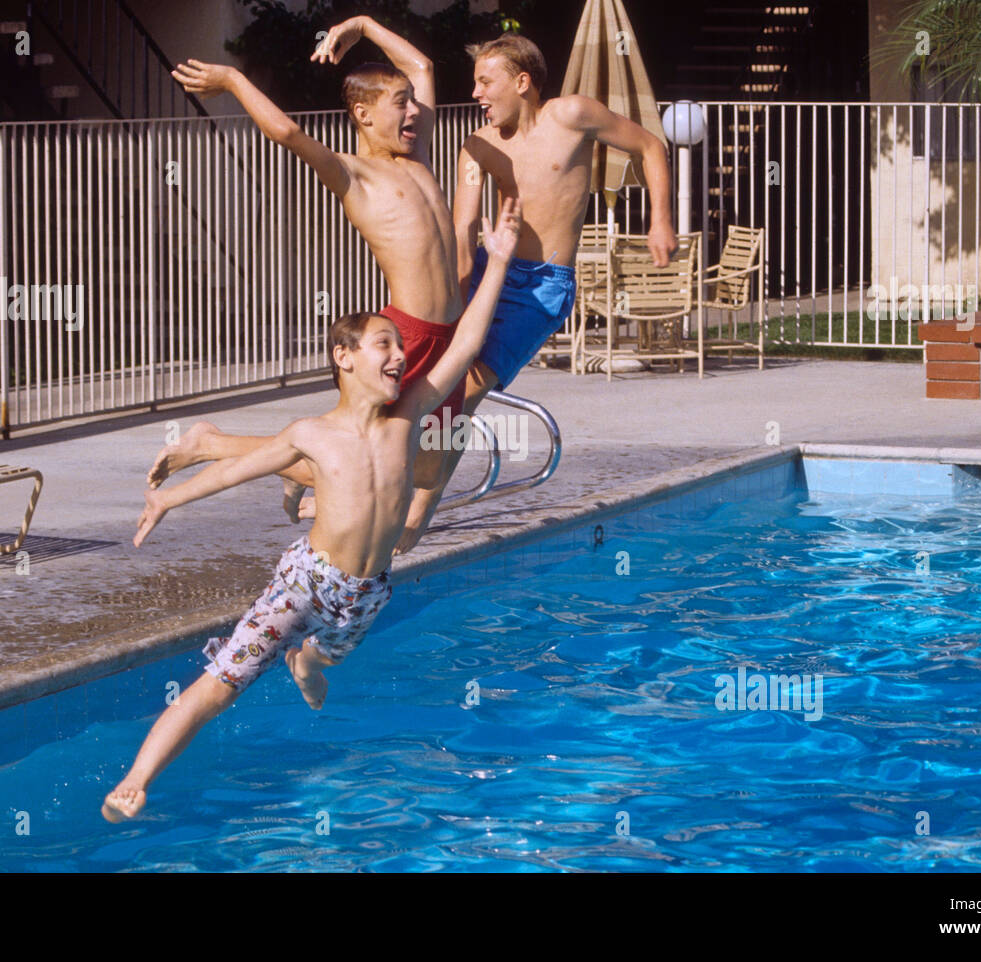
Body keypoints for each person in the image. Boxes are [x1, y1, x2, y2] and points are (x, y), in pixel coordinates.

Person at [100, 199, 522, 824]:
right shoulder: (311, 434)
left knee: (323, 658)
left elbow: (466, 341)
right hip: (306, 584)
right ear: (344, 357)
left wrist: (501, 264)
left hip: (369, 591)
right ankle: (137, 779)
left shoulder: (407, 418)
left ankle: (308, 664)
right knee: (221, 685)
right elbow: (235, 470)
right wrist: (167, 497)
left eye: (401, 348)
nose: (401, 355)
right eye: (385, 344)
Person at [153, 15, 466, 528]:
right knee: (363, 458)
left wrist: (363, 25)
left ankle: (294, 473)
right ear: (362, 114)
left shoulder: (419, 154)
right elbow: (286, 131)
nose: (414, 110)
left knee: (430, 465)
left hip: (447, 334)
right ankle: (213, 444)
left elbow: (421, 63)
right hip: (407, 334)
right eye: (400, 103)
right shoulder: (353, 175)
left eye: (413, 100)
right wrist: (232, 80)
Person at [390, 33, 677, 553]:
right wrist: (451, 304)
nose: (475, 92)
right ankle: (404, 491)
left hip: (542, 286)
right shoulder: (478, 146)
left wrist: (660, 220)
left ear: (522, 82)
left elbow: (650, 145)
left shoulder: (572, 116)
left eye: (485, 80)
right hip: (486, 271)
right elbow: (462, 228)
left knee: (466, 389)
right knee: (436, 383)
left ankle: (409, 501)